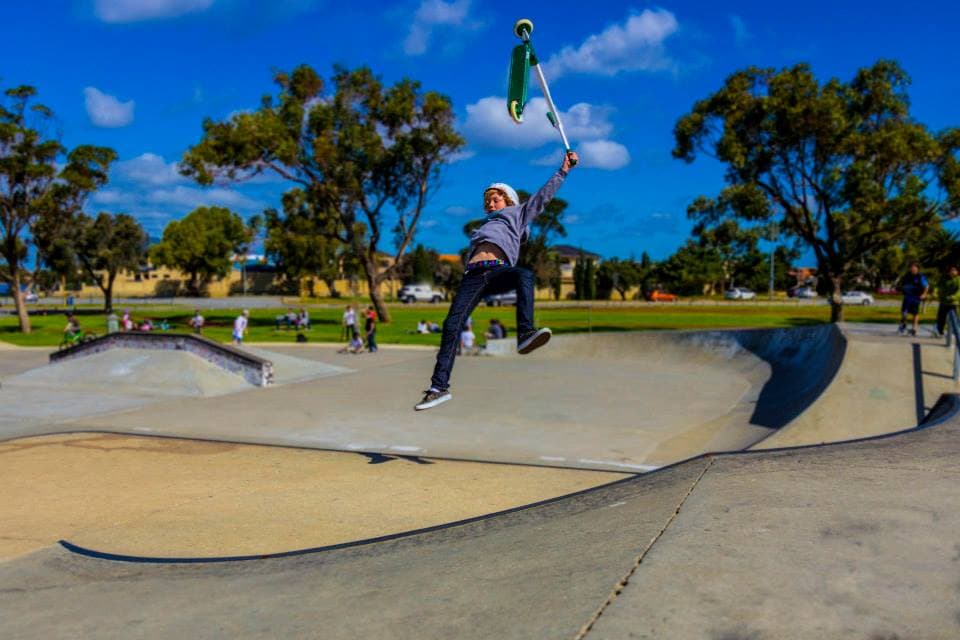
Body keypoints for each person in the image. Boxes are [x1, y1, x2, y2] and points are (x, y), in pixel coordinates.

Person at [415, 150, 578, 411]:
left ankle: (525, 332)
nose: (489, 204)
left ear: (509, 200)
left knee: (525, 274)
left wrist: (563, 170)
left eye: (494, 199)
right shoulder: (482, 227)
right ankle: (438, 387)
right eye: (487, 202)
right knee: (451, 325)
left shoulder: (518, 214)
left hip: (498, 271)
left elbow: (542, 198)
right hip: (472, 278)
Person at [899, 262, 929, 336]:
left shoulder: (920, 276)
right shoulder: (906, 276)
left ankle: (914, 329)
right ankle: (904, 323)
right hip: (907, 296)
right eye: (911, 267)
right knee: (904, 311)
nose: (912, 269)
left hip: (916, 296)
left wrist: (924, 294)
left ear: (917, 268)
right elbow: (902, 284)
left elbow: (926, 286)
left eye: (914, 267)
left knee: (915, 313)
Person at [935, 265, 960, 337]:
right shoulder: (944, 279)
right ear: (948, 272)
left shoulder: (958, 279)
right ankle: (940, 331)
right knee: (941, 318)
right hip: (944, 301)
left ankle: (956, 332)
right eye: (951, 270)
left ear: (957, 272)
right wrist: (935, 292)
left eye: (954, 270)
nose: (953, 272)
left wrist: (954, 296)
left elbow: (959, 291)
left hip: (953, 302)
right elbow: (937, 286)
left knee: (954, 318)